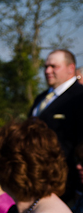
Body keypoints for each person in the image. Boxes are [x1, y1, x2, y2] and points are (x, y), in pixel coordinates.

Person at [29, 49, 83, 202]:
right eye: (46, 67)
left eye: (54, 66)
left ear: (70, 68)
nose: (47, 71)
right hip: (38, 179)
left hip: (66, 184)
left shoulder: (79, 97)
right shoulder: (42, 97)